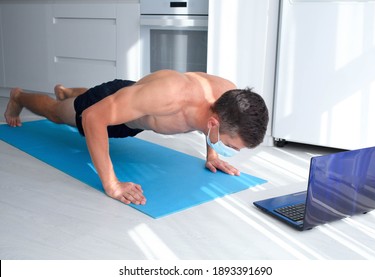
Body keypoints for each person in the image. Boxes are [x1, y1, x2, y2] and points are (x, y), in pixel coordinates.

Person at [4, 70, 269, 205]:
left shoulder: (228, 95)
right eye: (228, 144)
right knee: (58, 114)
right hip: (113, 105)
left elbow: (212, 123)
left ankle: (69, 93)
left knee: (126, 103)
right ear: (214, 124)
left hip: (137, 108)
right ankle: (20, 97)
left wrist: (212, 153)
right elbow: (93, 117)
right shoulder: (171, 97)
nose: (225, 147)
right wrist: (112, 184)